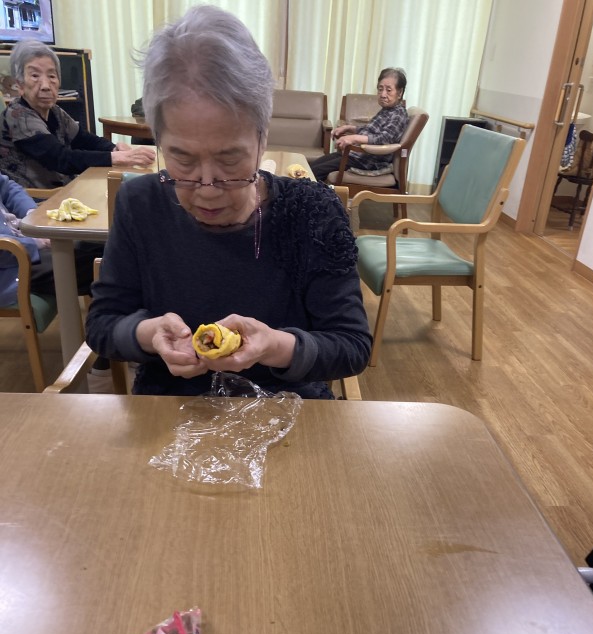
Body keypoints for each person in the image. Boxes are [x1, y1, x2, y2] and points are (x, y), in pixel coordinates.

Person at [85, 4, 371, 399]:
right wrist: (148, 334)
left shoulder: (313, 212)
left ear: (262, 138)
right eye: (182, 158)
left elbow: (352, 346)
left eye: (230, 158)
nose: (206, 188)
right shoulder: (140, 203)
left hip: (288, 411)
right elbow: (102, 324)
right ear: (157, 139)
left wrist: (275, 346)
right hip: (168, 413)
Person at [0, 40, 156, 189]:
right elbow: (60, 158)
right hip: (35, 199)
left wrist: (114, 148)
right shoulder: (18, 115)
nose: (46, 86)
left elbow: (84, 139)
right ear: (20, 85)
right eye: (35, 76)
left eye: (52, 76)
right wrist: (115, 158)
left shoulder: (55, 111)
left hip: (63, 189)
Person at [0, 170, 92, 304]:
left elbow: (7, 187)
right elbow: (4, 253)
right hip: (12, 264)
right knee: (98, 265)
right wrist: (39, 242)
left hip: (22, 238)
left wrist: (32, 214)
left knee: (99, 248)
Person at [311, 68, 409, 182]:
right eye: (380, 89)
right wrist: (349, 128)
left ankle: (310, 192)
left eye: (388, 90)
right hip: (357, 155)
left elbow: (385, 139)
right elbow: (370, 130)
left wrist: (353, 138)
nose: (383, 94)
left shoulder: (398, 114)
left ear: (399, 93)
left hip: (368, 161)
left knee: (315, 172)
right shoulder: (387, 110)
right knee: (311, 167)